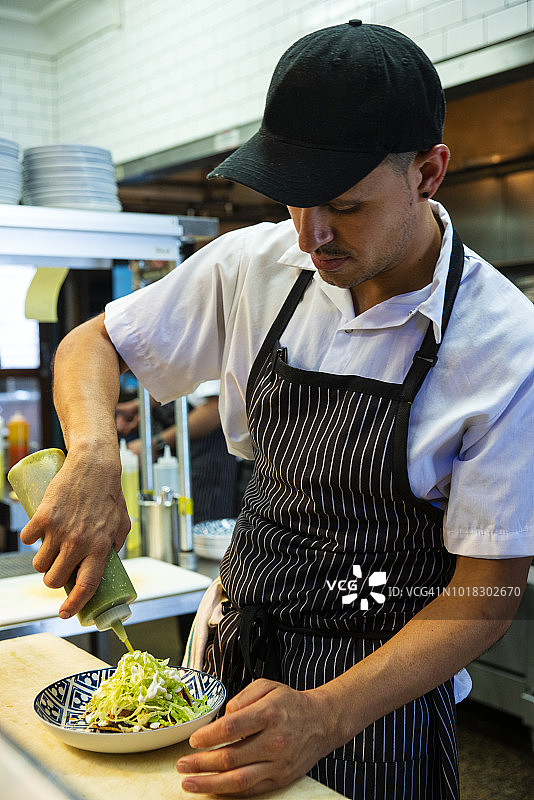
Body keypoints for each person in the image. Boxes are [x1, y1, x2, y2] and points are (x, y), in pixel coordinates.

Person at [20, 20, 534, 800]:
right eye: (293, 202)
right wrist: (94, 452)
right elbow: (90, 344)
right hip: (227, 660)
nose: (313, 234)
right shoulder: (255, 265)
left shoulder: (505, 346)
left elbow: (489, 594)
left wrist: (326, 716)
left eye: (345, 205)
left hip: (374, 708)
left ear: (428, 173)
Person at [116, 380, 242, 523]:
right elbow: (179, 376)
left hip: (208, 454)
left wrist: (157, 444)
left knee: (201, 527)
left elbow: (217, 407)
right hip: (175, 444)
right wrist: (141, 404)